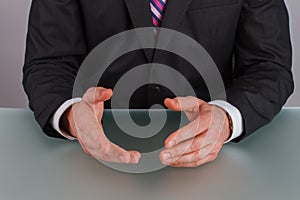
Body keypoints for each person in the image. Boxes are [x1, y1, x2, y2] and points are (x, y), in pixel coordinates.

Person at [23, 0, 294, 168]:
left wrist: (228, 119)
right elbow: (49, 61)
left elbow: (268, 65)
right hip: (92, 159)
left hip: (215, 160)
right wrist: (70, 114)